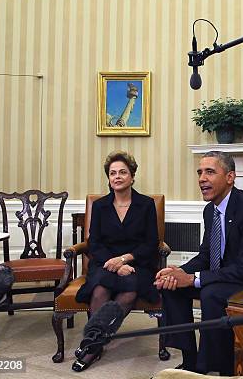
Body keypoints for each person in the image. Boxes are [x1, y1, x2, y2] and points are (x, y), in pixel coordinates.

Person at [155, 151, 243, 375]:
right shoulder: (211, 210)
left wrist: (192, 279)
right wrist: (177, 273)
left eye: (210, 172)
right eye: (199, 172)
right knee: (173, 288)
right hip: (232, 275)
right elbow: (206, 256)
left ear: (230, 177)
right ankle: (191, 362)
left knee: (211, 293)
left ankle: (221, 367)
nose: (201, 178)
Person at [72, 151, 160, 372]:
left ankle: (92, 345)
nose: (117, 176)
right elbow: (95, 243)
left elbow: (151, 243)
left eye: (123, 172)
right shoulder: (100, 206)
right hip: (105, 262)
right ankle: (95, 343)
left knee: (130, 289)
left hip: (137, 262)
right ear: (108, 178)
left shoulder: (146, 204)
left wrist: (124, 260)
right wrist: (113, 263)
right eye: (113, 173)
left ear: (132, 176)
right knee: (100, 287)